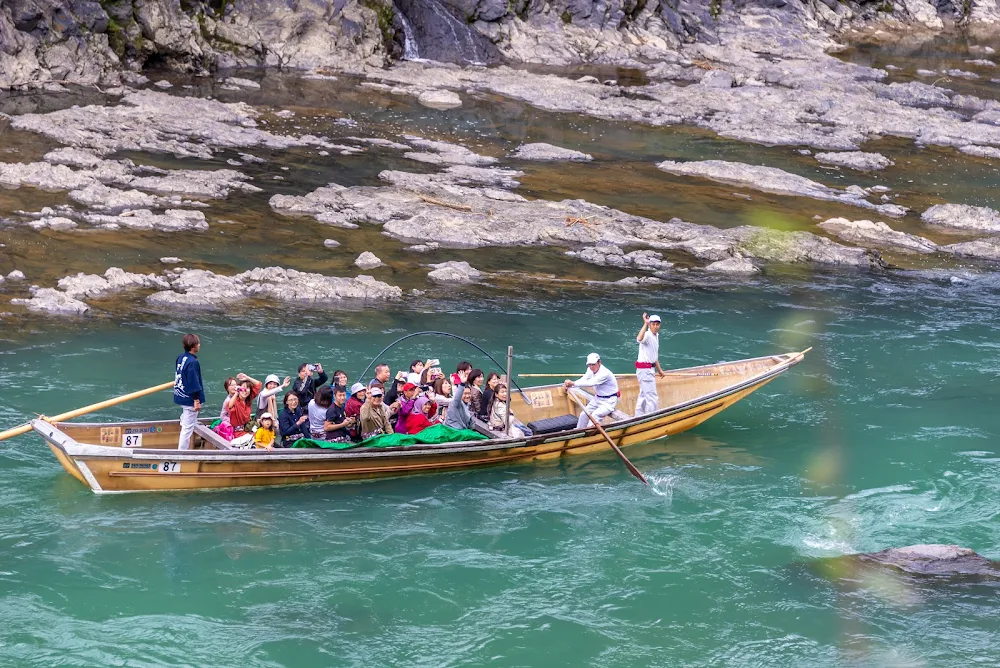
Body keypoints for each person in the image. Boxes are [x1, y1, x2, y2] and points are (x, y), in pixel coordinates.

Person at [564, 353, 618, 429]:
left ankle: (589, 434)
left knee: (595, 415)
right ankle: (578, 432)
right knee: (583, 414)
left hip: (609, 401)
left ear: (599, 362)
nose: (591, 367)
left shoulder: (604, 373)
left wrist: (573, 383)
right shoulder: (590, 369)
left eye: (593, 364)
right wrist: (572, 384)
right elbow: (584, 379)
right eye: (589, 365)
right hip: (597, 398)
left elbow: (591, 383)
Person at [173, 333, 205, 450]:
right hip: (189, 399)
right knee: (187, 428)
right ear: (193, 346)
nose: (199, 345)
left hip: (181, 393)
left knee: (186, 419)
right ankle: (182, 453)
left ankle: (184, 419)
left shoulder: (181, 357)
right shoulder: (193, 362)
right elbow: (193, 382)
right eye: (198, 343)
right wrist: (196, 400)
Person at [635, 312, 667, 416]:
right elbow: (639, 339)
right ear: (650, 325)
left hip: (648, 370)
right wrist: (645, 323)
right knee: (652, 398)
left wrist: (660, 370)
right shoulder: (647, 335)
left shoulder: (656, 336)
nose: (655, 326)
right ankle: (651, 421)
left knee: (643, 396)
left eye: (657, 324)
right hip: (645, 370)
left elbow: (654, 357)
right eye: (653, 324)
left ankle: (638, 417)